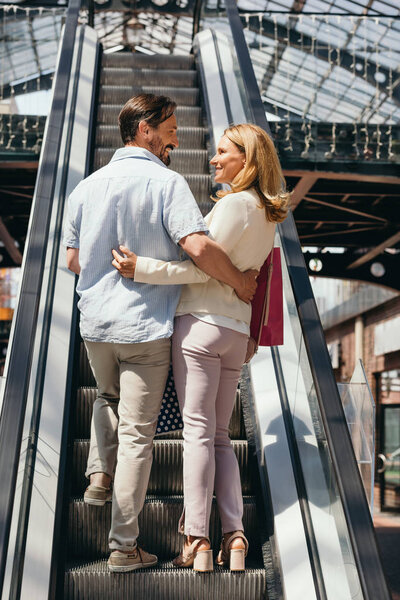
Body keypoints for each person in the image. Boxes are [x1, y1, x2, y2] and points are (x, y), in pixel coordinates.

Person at [63, 95, 258, 573]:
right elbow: (196, 246)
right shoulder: (167, 184)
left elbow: (72, 259)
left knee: (107, 396)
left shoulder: (84, 188)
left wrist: (102, 278)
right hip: (144, 326)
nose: (178, 138)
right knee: (137, 436)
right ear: (145, 130)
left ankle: (97, 475)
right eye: (171, 128)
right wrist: (238, 281)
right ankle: (124, 547)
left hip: (95, 324)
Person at [111, 123, 290, 572]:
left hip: (201, 327)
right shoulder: (268, 216)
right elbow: (250, 278)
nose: (213, 159)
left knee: (196, 434)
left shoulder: (233, 205)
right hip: (233, 333)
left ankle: (196, 539)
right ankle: (235, 536)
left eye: (223, 152)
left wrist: (143, 268)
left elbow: (201, 269)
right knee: (219, 437)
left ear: (246, 161)